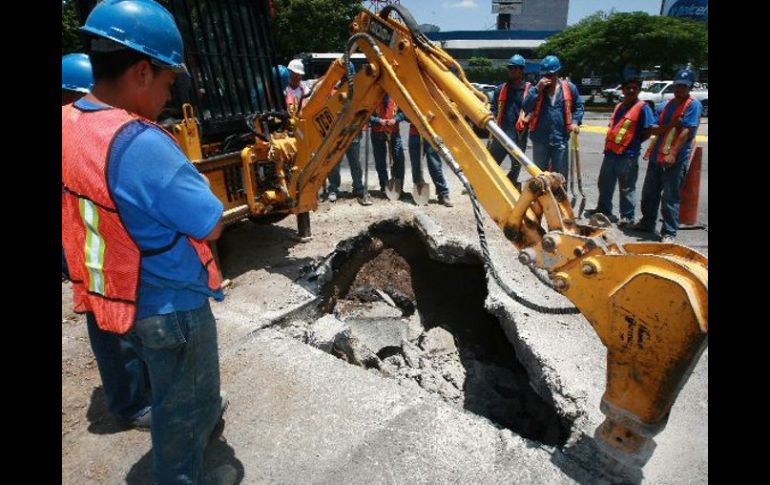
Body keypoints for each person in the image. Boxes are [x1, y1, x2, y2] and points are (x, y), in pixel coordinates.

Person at [62, 1, 232, 483]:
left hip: (116, 298)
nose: (167, 94)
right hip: (169, 307)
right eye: (167, 82)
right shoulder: (140, 142)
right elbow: (211, 223)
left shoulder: (69, 122)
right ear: (141, 71)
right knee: (181, 414)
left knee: (173, 394)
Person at [62, 52, 153, 431]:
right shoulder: (71, 130)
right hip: (88, 248)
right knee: (112, 326)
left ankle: (139, 389)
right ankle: (131, 404)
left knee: (121, 321)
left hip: (94, 245)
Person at [631, 68, 703, 242]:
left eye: (683, 87)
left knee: (670, 197)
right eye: (677, 86)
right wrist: (671, 124)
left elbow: (686, 131)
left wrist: (672, 153)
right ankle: (647, 223)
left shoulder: (693, 105)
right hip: (657, 156)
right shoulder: (666, 106)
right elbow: (653, 128)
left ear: (690, 88)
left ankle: (669, 232)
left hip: (675, 160)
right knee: (650, 193)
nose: (679, 90)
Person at [585, 69, 655, 226]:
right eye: (628, 88)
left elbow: (648, 130)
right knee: (604, 183)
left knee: (627, 188)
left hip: (628, 155)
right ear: (623, 90)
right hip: (611, 153)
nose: (631, 90)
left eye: (635, 88)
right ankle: (604, 210)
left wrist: (634, 143)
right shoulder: (619, 106)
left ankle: (627, 217)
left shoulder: (643, 108)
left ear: (639, 90)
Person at [522, 55, 584, 180]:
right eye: (544, 75)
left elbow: (579, 106)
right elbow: (526, 107)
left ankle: (559, 198)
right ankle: (541, 199)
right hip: (539, 139)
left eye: (550, 75)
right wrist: (537, 89)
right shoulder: (536, 89)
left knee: (559, 177)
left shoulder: (569, 88)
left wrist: (575, 121)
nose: (546, 79)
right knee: (540, 176)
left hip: (560, 139)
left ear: (557, 73)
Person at [326, 62, 368, 204]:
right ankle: (333, 187)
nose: (346, 77)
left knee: (355, 161)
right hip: (337, 132)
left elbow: (363, 107)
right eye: (345, 75)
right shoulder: (334, 90)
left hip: (353, 131)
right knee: (334, 162)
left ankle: (358, 187)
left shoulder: (358, 90)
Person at [489, 54, 532, 189]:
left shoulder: (530, 90)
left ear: (521, 70)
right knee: (491, 164)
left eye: (514, 68)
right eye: (510, 68)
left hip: (519, 136)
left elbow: (534, 109)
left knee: (516, 166)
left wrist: (527, 119)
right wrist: (492, 118)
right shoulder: (501, 89)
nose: (511, 70)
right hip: (501, 134)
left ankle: (511, 187)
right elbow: (494, 108)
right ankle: (487, 187)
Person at [406, 121, 453, 206]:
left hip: (430, 134)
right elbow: (403, 114)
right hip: (415, 134)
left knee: (435, 165)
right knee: (416, 166)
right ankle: (419, 193)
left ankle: (443, 194)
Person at [370, 94, 406, 196]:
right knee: (380, 161)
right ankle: (384, 187)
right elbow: (366, 114)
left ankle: (399, 187)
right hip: (377, 133)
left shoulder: (397, 95)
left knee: (399, 160)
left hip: (394, 132)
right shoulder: (373, 95)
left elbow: (405, 112)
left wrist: (396, 119)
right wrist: (378, 120)